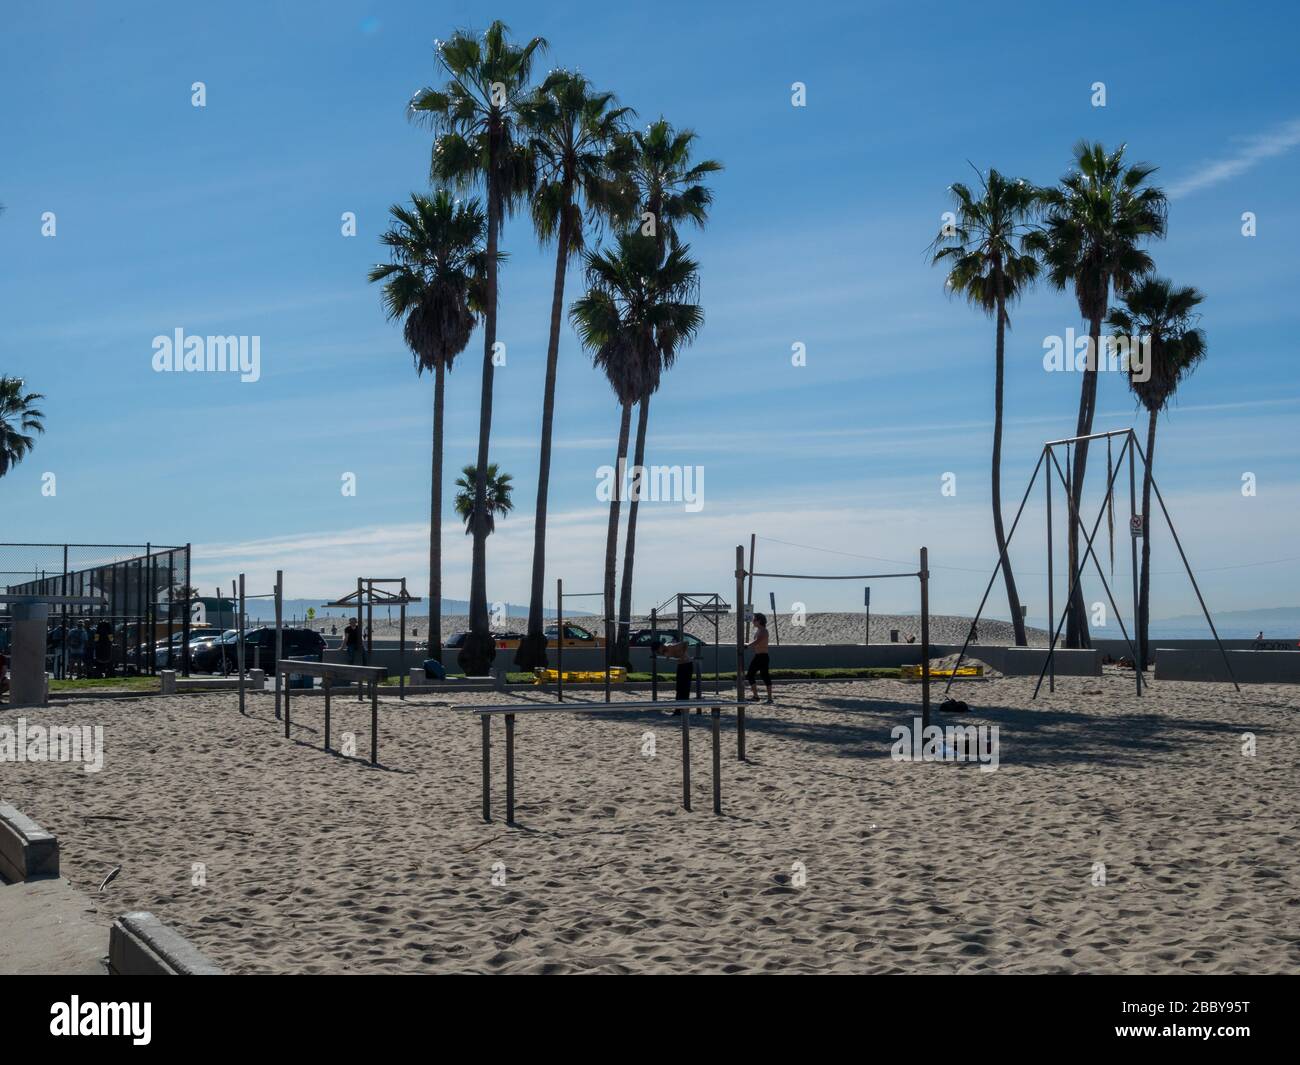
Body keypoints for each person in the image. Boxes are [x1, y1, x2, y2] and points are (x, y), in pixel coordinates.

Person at [660, 635, 695, 708]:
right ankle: (679, 707)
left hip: (686, 664)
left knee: (684, 687)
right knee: (679, 687)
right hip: (681, 665)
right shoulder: (666, 649)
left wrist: (682, 654)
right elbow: (669, 653)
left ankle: (683, 706)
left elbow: (686, 642)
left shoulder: (672, 646)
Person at [746, 613, 773, 704]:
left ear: (759, 621)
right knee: (750, 675)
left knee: (765, 676)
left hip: (763, 657)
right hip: (758, 656)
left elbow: (757, 641)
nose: (753, 621)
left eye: (754, 620)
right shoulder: (758, 630)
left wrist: (747, 646)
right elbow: (755, 642)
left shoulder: (764, 631)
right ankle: (756, 696)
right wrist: (748, 645)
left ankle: (769, 698)